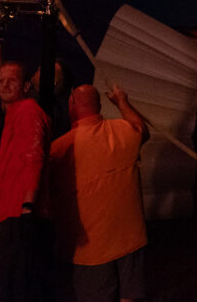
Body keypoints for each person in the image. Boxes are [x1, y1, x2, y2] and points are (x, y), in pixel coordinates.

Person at [48, 83, 150, 302]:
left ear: (71, 105)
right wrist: (122, 101)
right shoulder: (122, 130)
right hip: (130, 237)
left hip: (92, 249)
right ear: (100, 105)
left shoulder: (60, 148)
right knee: (131, 297)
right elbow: (142, 128)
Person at [0, 61, 53, 302]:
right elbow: (11, 171)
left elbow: (33, 155)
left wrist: (28, 204)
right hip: (14, 211)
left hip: (21, 213)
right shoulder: (14, 116)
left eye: (12, 80)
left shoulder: (28, 111)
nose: (5, 84)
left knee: (13, 288)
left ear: (26, 85)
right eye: (1, 80)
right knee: (8, 287)